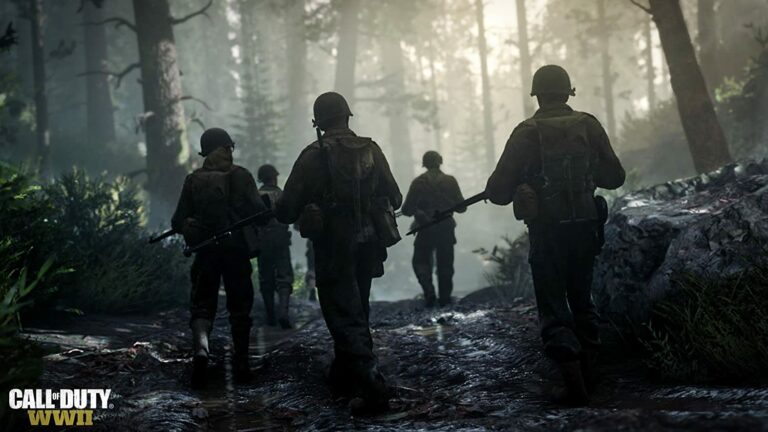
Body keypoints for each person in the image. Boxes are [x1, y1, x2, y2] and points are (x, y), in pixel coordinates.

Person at [485, 65, 625, 406]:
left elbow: (498, 191)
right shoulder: (588, 125)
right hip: (585, 228)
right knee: (582, 298)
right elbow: (615, 177)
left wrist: (522, 184)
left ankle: (572, 379)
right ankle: (591, 374)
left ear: (537, 94)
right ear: (567, 92)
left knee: (552, 304)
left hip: (547, 231)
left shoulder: (525, 132)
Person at [275, 92, 402, 413]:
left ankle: (372, 382)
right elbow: (396, 197)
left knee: (342, 313)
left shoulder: (311, 156)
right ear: (347, 117)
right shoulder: (371, 149)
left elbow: (287, 209)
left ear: (319, 122)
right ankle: (345, 376)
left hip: (332, 246)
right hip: (369, 244)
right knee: (357, 306)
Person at [171, 127, 268, 388]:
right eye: (229, 147)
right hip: (236, 251)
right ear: (225, 148)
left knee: (202, 304)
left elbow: (178, 220)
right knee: (240, 307)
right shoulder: (242, 176)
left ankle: (201, 350)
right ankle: (242, 363)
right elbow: (259, 212)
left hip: (206, 250)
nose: (231, 152)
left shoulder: (194, 180)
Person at [401, 151, 466, 307]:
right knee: (445, 264)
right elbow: (462, 207)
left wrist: (420, 212)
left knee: (420, 262)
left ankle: (429, 293)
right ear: (440, 162)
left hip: (424, 229)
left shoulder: (418, 182)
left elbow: (406, 209)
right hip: (445, 229)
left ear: (425, 164)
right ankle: (444, 299)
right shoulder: (450, 181)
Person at [257, 164, 295, 329]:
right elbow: (290, 216)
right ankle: (283, 313)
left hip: (262, 241)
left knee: (266, 278)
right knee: (284, 277)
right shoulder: (282, 194)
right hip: (280, 240)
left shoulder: (255, 195)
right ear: (274, 177)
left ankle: (270, 316)